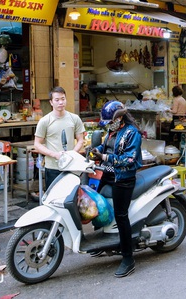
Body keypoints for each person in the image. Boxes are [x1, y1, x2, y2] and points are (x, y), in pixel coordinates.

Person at [91, 100, 142, 278]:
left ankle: (128, 259)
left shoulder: (132, 133)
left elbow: (129, 159)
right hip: (107, 175)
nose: (109, 125)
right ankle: (104, 243)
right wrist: (95, 150)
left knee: (121, 216)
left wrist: (105, 156)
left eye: (111, 121)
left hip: (124, 178)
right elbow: (105, 146)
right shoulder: (112, 130)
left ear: (120, 117)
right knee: (99, 207)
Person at [34, 86, 86, 188]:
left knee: (70, 199)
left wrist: (72, 154)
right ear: (51, 102)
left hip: (71, 166)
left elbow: (80, 140)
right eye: (57, 100)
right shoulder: (45, 121)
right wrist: (55, 155)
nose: (61, 102)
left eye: (63, 99)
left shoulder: (75, 118)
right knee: (53, 199)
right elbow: (37, 144)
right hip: (53, 167)